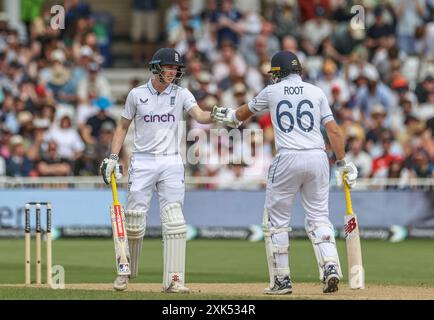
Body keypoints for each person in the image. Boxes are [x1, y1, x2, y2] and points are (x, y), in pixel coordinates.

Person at [212, 50, 358, 294]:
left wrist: (226, 114)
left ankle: (282, 281)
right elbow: (333, 131)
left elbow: (240, 115)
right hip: (318, 157)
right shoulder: (317, 92)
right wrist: (343, 162)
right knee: (319, 217)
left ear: (278, 72)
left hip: (288, 157)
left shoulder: (272, 91)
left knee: (275, 222)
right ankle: (330, 266)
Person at [99, 48, 214, 293]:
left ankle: (174, 281)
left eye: (176, 68)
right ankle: (124, 272)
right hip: (142, 160)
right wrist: (112, 157)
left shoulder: (182, 94)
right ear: (156, 68)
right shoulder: (136, 94)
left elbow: (201, 115)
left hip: (172, 161)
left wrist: (220, 115)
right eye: (169, 67)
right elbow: (121, 127)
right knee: (133, 221)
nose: (173, 72)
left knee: (174, 220)